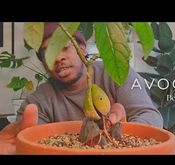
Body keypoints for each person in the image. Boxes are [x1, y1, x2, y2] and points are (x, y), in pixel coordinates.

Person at [0, 22, 163, 154]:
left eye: (64, 47)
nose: (58, 57)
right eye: (48, 53)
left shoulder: (116, 74)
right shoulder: (38, 101)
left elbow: (150, 116)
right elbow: (32, 140)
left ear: (82, 48)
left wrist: (124, 132)